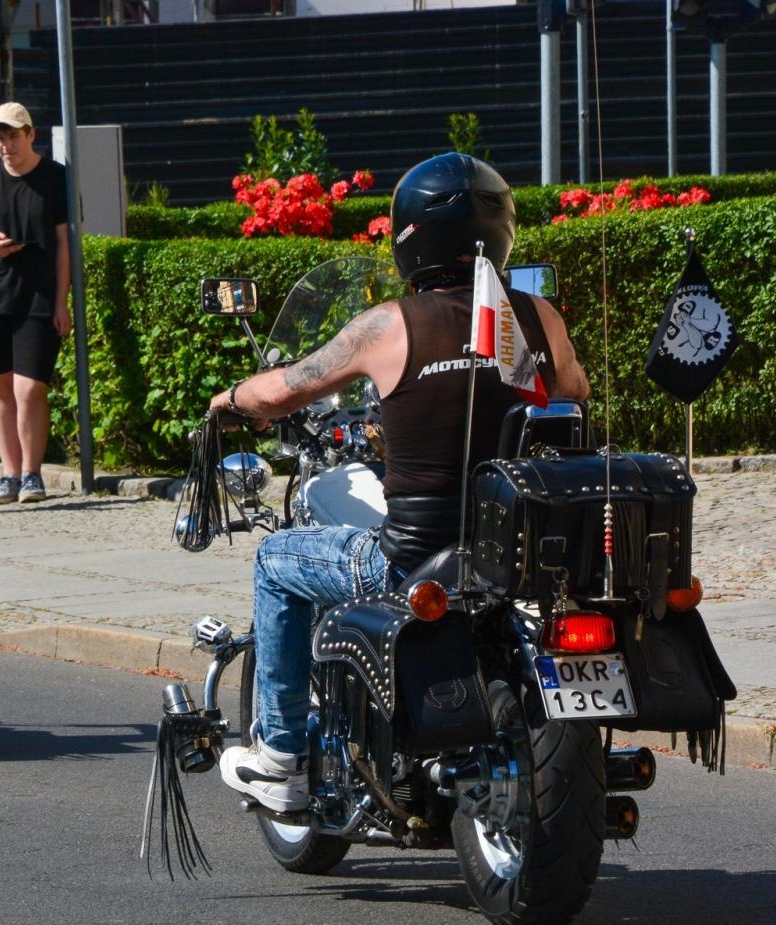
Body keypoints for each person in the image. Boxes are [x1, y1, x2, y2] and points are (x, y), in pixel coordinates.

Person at [208, 153, 591, 812]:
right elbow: (574, 392)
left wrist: (229, 398)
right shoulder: (537, 316)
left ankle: (276, 755)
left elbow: (285, 390)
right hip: (517, 552)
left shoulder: (388, 325)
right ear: (502, 232)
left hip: (411, 561)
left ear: (407, 235)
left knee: (275, 559)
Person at [0, 102, 72, 506]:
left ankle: (32, 473)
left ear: (30, 135)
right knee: (1, 388)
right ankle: (8, 474)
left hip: (37, 297)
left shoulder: (55, 177)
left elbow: (63, 245)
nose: (6, 144)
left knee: (30, 388)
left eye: (13, 135)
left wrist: (62, 301)